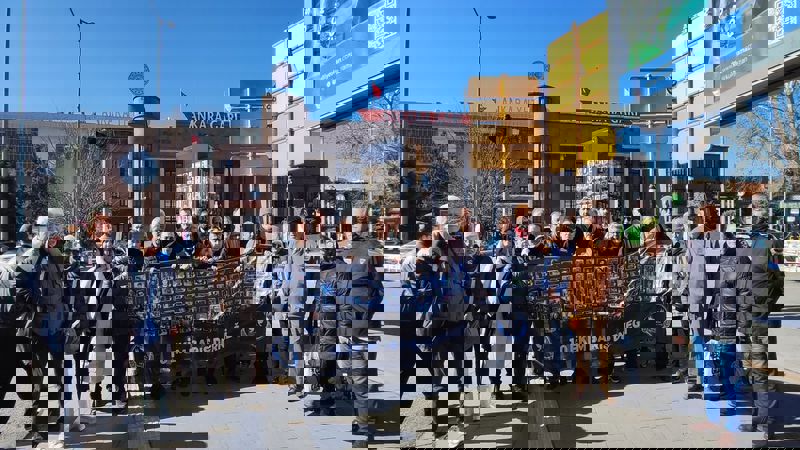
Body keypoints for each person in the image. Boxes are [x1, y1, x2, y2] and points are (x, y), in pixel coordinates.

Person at [16, 215, 68, 448]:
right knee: (38, 382)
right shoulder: (29, 258)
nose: (54, 240)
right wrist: (35, 305)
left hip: (56, 328)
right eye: (50, 236)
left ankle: (56, 422)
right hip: (37, 329)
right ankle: (37, 427)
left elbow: (64, 290)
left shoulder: (57, 258)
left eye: (56, 236)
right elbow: (19, 290)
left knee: (59, 379)